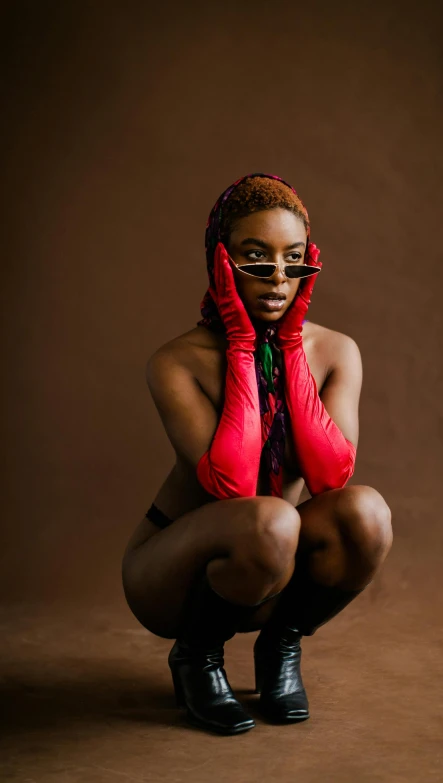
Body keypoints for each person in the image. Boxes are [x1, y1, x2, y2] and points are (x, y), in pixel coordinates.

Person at [121, 173, 393, 736]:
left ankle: (282, 645)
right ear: (221, 262)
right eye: (254, 257)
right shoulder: (177, 361)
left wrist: (290, 347)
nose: (277, 277)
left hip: (277, 569)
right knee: (268, 519)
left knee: (365, 513)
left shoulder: (336, 351)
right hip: (174, 577)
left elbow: (331, 475)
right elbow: (234, 485)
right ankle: (196, 656)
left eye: (293, 259)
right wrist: (243, 347)